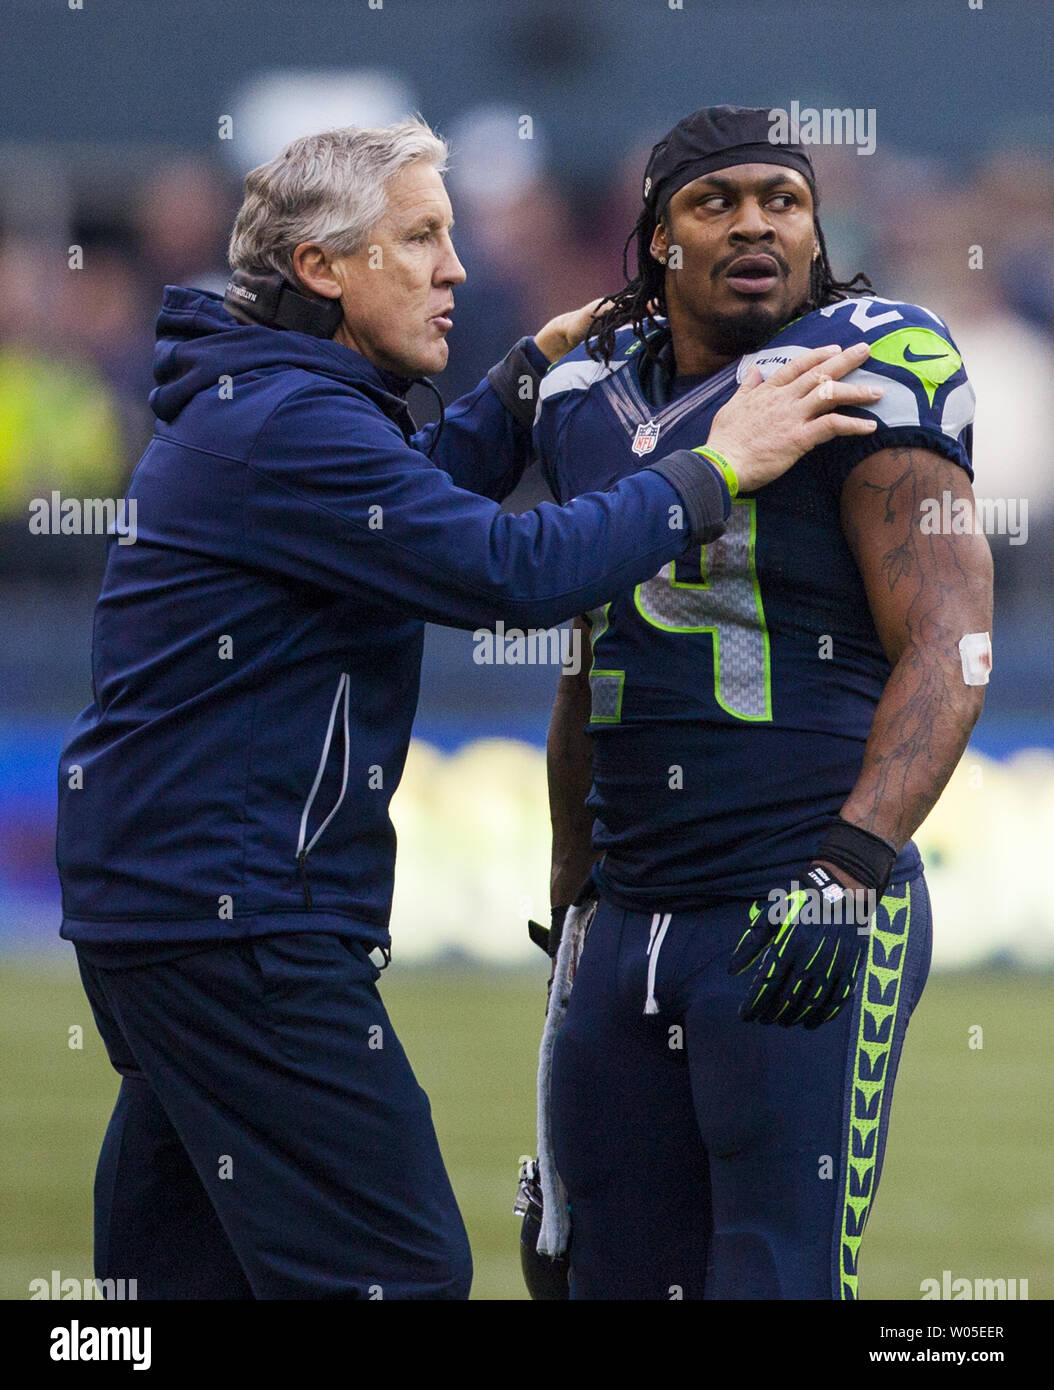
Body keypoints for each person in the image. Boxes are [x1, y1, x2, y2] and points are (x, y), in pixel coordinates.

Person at [56, 118, 882, 1300]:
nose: (456, 266)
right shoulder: (292, 423)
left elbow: (408, 504)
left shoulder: (270, 404)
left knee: (183, 1275)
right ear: (321, 268)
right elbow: (508, 570)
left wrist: (516, 384)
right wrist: (716, 464)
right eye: (421, 237)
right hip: (238, 915)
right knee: (397, 1272)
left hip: (170, 908)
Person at [534, 106, 993, 1300]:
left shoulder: (864, 367)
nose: (753, 224)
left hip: (798, 890)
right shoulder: (587, 396)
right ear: (655, 241)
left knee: (770, 1276)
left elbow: (952, 638)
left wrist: (849, 865)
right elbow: (589, 668)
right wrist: (568, 896)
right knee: (600, 1277)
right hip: (628, 910)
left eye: (781, 201)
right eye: (714, 201)